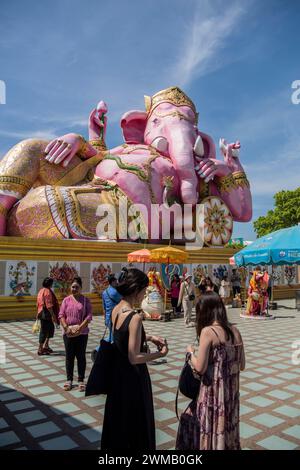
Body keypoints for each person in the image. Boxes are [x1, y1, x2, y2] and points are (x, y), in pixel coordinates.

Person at [101, 267, 168, 450]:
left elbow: (122, 337)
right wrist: (159, 354)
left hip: (117, 377)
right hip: (133, 378)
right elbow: (134, 356)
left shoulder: (116, 310)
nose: (145, 294)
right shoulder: (135, 317)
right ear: (136, 289)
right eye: (144, 290)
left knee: (119, 424)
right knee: (137, 425)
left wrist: (149, 337)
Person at [176, 292, 245, 450]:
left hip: (212, 397)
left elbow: (200, 368)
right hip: (230, 397)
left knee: (207, 430)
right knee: (227, 432)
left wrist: (190, 353)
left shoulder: (208, 332)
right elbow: (242, 365)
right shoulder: (235, 331)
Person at [58, 276, 93, 391]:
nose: (74, 289)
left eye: (76, 287)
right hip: (68, 333)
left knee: (81, 356)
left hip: (82, 334)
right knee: (69, 356)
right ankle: (69, 380)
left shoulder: (85, 300)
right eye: (72, 287)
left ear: (81, 288)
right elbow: (61, 315)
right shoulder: (66, 300)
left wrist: (81, 328)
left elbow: (89, 316)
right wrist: (66, 327)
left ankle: (81, 380)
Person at [36, 277, 60, 356]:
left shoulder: (41, 290)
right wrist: (53, 315)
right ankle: (40, 348)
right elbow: (49, 305)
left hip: (42, 312)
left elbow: (38, 303)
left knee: (50, 329)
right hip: (46, 313)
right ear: (50, 284)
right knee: (44, 331)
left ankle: (46, 345)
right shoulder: (47, 292)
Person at [102, 274, 122, 341]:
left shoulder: (104, 292)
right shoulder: (115, 292)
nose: (117, 283)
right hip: (115, 317)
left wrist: (105, 318)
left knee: (112, 335)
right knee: (113, 338)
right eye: (116, 281)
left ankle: (99, 349)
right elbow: (124, 301)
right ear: (113, 282)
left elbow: (104, 307)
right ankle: (98, 349)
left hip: (108, 317)